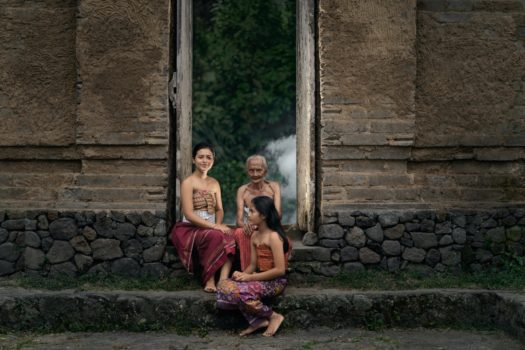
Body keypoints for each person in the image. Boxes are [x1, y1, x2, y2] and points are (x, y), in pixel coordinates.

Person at [217, 195, 291, 337]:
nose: (248, 214)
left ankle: (273, 316)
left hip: (275, 282)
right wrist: (242, 274)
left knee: (241, 292)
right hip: (258, 279)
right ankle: (257, 321)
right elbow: (252, 265)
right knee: (223, 286)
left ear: (263, 215)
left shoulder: (274, 236)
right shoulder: (254, 236)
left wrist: (250, 278)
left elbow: (280, 270)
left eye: (251, 211)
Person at [171, 142, 235, 293]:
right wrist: (215, 227)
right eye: (200, 157)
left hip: (212, 226)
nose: (205, 161)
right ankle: (209, 279)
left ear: (213, 160)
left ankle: (223, 280)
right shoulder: (188, 182)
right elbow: (189, 214)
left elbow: (219, 209)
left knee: (233, 235)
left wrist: (218, 224)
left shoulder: (214, 183)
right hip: (191, 227)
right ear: (193, 159)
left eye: (209, 157)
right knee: (214, 235)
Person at [233, 155, 281, 271]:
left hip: (269, 227)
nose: (255, 174)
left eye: (259, 170)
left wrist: (263, 227)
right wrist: (246, 226)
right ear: (247, 171)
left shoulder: (273, 187)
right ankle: (247, 271)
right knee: (240, 232)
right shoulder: (242, 190)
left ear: (265, 171)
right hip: (249, 227)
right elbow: (239, 220)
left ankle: (266, 272)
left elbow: (278, 215)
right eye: (251, 170)